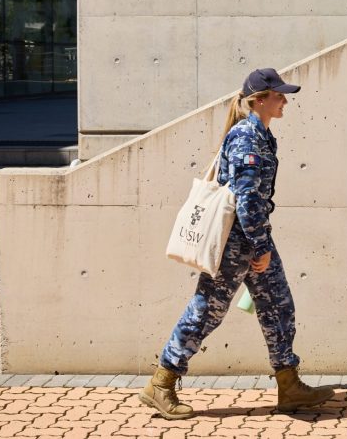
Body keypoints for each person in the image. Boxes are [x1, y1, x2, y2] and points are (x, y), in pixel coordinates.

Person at [139, 68, 334, 419]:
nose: (285, 101)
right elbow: (246, 198)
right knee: (205, 313)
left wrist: (260, 245)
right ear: (260, 99)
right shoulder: (247, 137)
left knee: (279, 307)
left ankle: (288, 385)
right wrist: (260, 248)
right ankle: (161, 383)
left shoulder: (262, 134)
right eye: (279, 96)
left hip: (253, 238)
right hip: (236, 244)